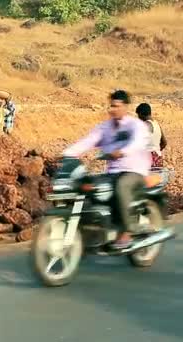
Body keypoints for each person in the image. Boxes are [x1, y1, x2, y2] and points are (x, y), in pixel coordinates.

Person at [63, 90, 151, 249]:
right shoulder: (105, 127)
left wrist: (123, 151)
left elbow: (138, 142)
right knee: (90, 187)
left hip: (135, 170)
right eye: (111, 106)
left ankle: (126, 232)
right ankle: (93, 230)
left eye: (116, 106)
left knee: (121, 186)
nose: (113, 109)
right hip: (113, 172)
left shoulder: (135, 125)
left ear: (125, 107)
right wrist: (67, 154)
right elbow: (88, 141)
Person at [136, 103, 167, 168]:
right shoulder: (157, 124)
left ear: (141, 113)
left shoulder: (146, 124)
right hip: (158, 158)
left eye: (138, 115)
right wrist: (156, 151)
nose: (138, 118)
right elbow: (164, 142)